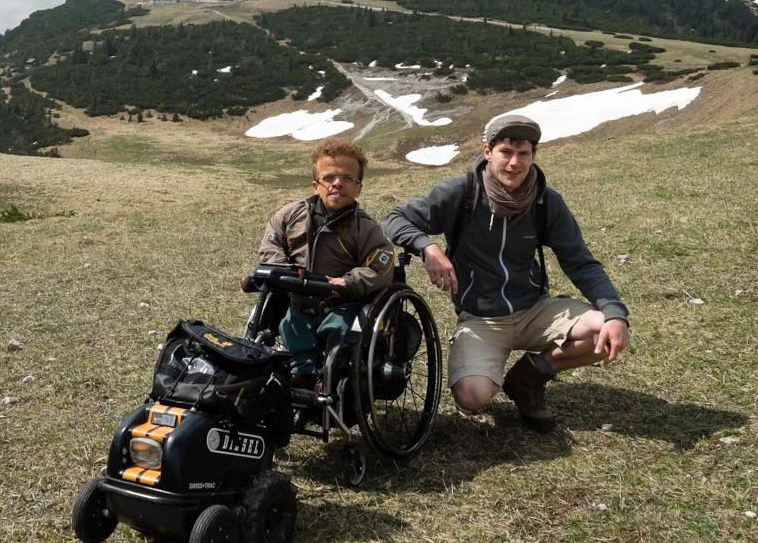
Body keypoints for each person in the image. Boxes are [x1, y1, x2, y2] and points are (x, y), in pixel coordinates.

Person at [383, 114, 631, 432]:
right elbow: (396, 217)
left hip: (535, 309)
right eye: (506, 152)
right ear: (488, 151)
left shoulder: (546, 202)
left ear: (533, 155)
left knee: (604, 330)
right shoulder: (462, 194)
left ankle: (526, 380)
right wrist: (427, 247)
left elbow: (580, 262)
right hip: (481, 318)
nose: (514, 163)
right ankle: (490, 368)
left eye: (523, 153)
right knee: (471, 397)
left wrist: (614, 312)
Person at [258, 137, 395, 390]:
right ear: (315, 185)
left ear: (358, 188)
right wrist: (283, 271)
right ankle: (303, 376)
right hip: (299, 301)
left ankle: (332, 380)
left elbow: (381, 265)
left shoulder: (366, 229)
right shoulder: (290, 216)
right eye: (329, 178)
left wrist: (349, 281)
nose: (337, 184)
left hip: (343, 304)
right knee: (289, 324)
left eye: (347, 179)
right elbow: (271, 243)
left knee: (339, 328)